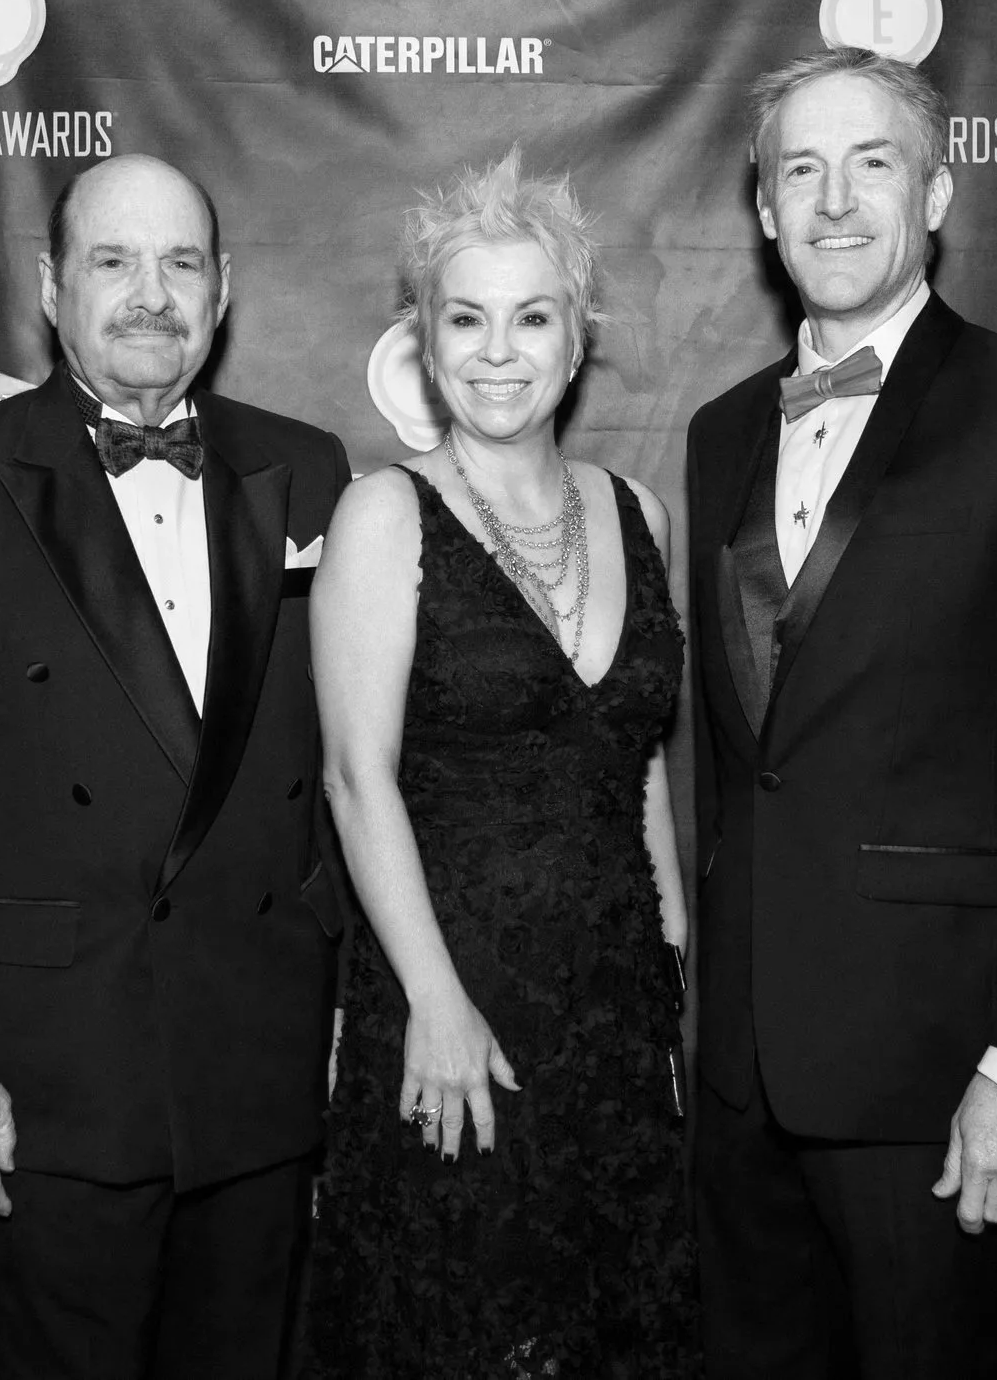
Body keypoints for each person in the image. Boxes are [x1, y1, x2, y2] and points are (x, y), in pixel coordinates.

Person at [686, 48, 997, 1379]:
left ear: (939, 192)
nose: (835, 202)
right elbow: (746, 770)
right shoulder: (724, 430)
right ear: (765, 211)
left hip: (950, 1079)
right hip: (747, 1084)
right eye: (801, 170)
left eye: (873, 163)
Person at [0, 153, 348, 1380]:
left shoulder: (312, 470)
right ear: (47, 285)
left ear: (223, 289)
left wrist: (346, 1008)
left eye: (181, 262)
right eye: (113, 261)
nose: (149, 294)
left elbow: (345, 775)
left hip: (257, 1054)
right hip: (48, 1069)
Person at [305, 151, 696, 1377]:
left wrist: (670, 961)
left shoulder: (640, 511)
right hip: (454, 1005)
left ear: (577, 341)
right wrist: (432, 1001)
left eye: (532, 317)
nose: (496, 350)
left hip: (618, 1015)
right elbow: (354, 778)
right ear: (422, 339)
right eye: (464, 317)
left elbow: (632, 759)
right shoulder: (384, 515)